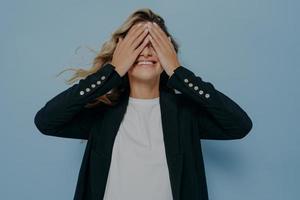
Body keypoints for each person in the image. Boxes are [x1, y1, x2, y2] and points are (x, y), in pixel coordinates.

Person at [34, 8, 253, 200]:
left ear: (169, 54)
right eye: (137, 44)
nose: (146, 52)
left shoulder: (186, 113)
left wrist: (179, 73)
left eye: (154, 44)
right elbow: (46, 121)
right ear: (121, 53)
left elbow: (239, 125)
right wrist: (111, 72)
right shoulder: (102, 114)